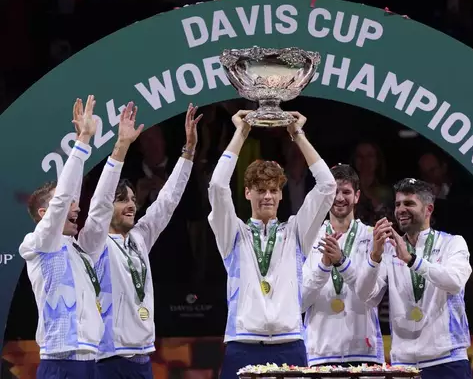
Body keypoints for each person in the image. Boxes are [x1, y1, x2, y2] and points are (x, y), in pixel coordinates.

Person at [209, 110, 336, 378]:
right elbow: (218, 186)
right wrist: (241, 133)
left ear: (281, 194)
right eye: (260, 189)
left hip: (289, 345)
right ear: (247, 192)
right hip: (242, 344)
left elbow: (327, 185)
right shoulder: (233, 233)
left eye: (273, 190)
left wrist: (297, 135)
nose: (267, 196)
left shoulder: (296, 232)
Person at [19, 95, 132, 379]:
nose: (76, 206)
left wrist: (121, 147)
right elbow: (63, 199)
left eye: (73, 202)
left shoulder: (81, 250)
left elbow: (102, 206)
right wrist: (83, 141)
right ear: (45, 213)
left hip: (91, 360)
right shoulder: (40, 243)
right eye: (67, 202)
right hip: (61, 362)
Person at [94, 104, 201, 378]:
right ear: (107, 207)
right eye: (122, 201)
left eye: (132, 199)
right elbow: (100, 199)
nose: (131, 205)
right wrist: (121, 145)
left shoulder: (140, 238)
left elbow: (168, 201)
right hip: (108, 358)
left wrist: (188, 151)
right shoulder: (95, 243)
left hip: (143, 357)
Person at [356, 178, 473, 378]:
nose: (401, 209)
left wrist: (412, 260)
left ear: (428, 209)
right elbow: (366, 296)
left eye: (409, 203)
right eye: (398, 204)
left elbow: (454, 282)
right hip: (404, 364)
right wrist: (374, 257)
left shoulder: (452, 243)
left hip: (447, 359)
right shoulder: (388, 250)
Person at [301, 164, 384, 366]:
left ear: (356, 196)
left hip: (364, 353)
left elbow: (372, 296)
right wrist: (324, 267)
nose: (339, 198)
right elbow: (300, 302)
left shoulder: (374, 238)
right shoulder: (307, 238)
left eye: (346, 192)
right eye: (334, 191)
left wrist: (342, 262)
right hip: (319, 352)